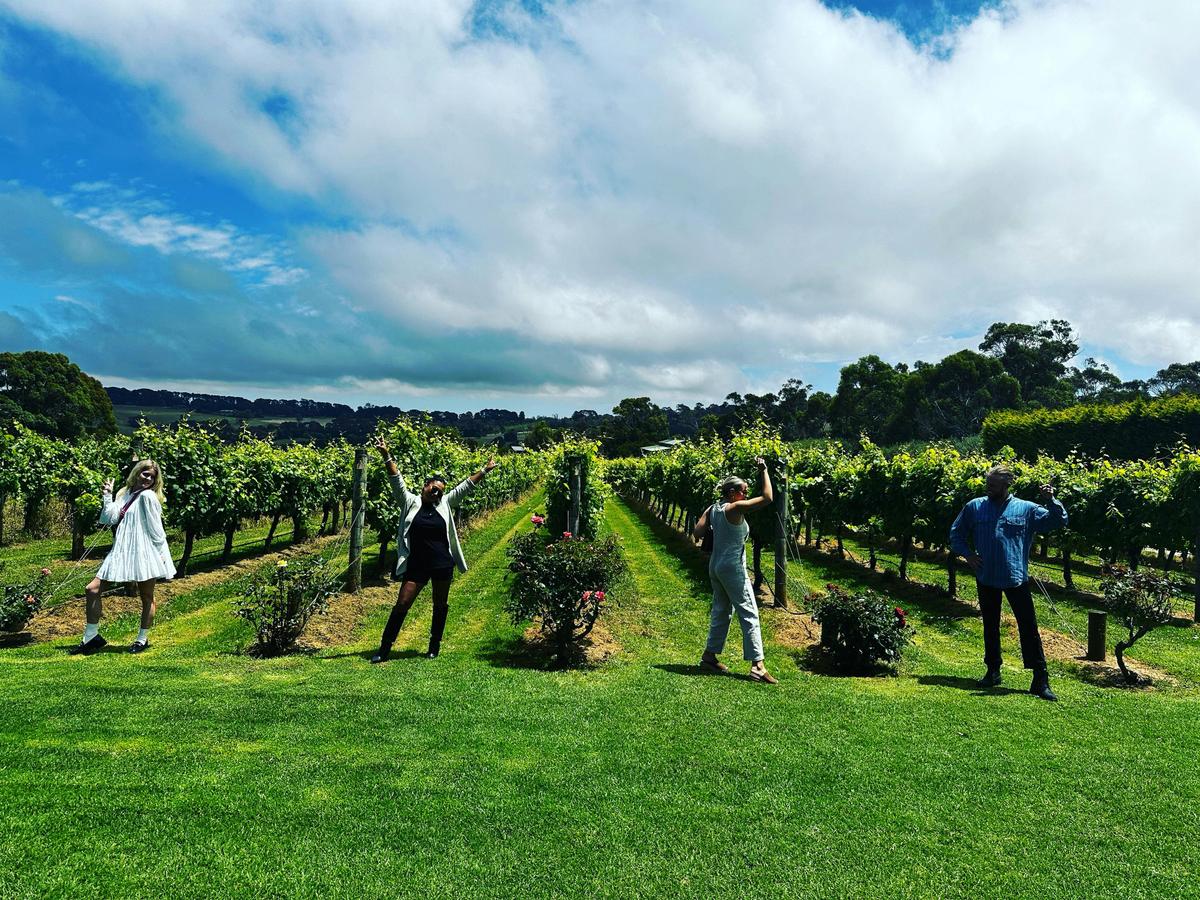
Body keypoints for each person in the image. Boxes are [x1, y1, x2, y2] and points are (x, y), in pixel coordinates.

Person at [370, 436, 497, 663]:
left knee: (440, 605)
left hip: (441, 564)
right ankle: (384, 649)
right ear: (425, 486)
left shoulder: (445, 503)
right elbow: (395, 479)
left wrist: (485, 470)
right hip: (417, 564)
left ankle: (433, 646)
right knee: (402, 604)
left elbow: (466, 486)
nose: (437, 493)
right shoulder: (409, 502)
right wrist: (385, 454)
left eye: (440, 491)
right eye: (434, 488)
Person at [950, 464, 1067, 701]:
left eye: (993, 485)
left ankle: (1040, 679)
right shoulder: (975, 506)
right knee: (990, 625)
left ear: (1006, 485)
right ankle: (993, 671)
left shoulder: (1026, 509)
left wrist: (1051, 500)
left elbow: (1058, 521)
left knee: (1028, 628)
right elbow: (956, 533)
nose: (988, 488)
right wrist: (968, 555)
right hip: (986, 576)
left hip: (1015, 578)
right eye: (988, 484)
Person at [74, 459, 176, 655]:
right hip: (122, 550)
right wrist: (107, 496)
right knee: (92, 589)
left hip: (144, 552)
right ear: (137, 473)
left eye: (152, 477)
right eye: (145, 474)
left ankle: (141, 638)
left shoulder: (148, 497)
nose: (148, 478)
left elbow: (157, 530)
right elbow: (108, 519)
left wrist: (162, 556)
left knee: (146, 596)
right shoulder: (125, 493)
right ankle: (91, 636)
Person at [691, 457, 777, 684]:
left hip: (715, 566)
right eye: (743, 491)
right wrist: (764, 470)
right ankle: (758, 665)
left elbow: (697, 533)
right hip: (732, 567)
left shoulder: (713, 508)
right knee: (749, 611)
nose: (746, 494)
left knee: (721, 610)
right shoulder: (736, 508)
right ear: (732, 493)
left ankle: (709, 656)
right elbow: (768, 497)